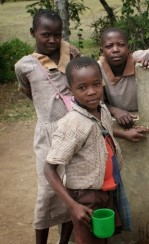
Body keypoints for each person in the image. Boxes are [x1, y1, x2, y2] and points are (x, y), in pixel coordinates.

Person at [44, 56, 130, 244]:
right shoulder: (72, 123)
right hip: (85, 196)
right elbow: (49, 168)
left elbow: (100, 133)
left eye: (96, 84)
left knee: (102, 237)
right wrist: (73, 206)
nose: (91, 92)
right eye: (82, 88)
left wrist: (125, 135)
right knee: (88, 240)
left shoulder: (102, 110)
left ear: (103, 84)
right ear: (70, 90)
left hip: (105, 190)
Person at [14, 9, 80, 244]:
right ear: (33, 33)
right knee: (47, 190)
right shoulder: (25, 66)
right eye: (46, 35)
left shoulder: (71, 55)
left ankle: (64, 242)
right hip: (47, 136)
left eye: (57, 34)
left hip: (73, 133)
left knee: (72, 186)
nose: (52, 40)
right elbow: (31, 92)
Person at [98, 27, 149, 129]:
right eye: (109, 46)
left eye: (121, 45)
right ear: (102, 51)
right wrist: (115, 111)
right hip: (120, 117)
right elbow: (98, 102)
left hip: (147, 114)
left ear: (129, 48)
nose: (115, 50)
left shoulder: (137, 58)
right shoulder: (97, 68)